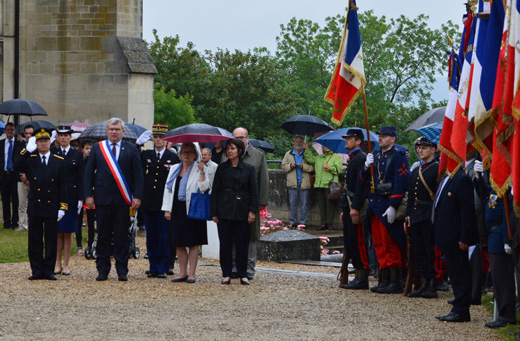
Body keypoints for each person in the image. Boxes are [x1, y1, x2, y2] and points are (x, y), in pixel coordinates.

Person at [84, 118, 143, 282]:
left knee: (122, 236)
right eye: (111, 129)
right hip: (102, 199)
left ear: (123, 131)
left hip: (123, 200)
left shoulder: (131, 149)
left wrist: (137, 196)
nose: (114, 132)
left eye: (117, 129)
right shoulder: (98, 148)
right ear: (107, 131)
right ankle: (102, 269)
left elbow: (138, 175)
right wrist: (88, 195)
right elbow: (88, 173)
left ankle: (122, 270)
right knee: (102, 235)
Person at [14, 128, 67, 280]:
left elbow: (63, 185)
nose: (43, 144)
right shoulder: (30, 159)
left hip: (52, 204)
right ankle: (37, 270)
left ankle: (49, 270)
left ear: (50, 142)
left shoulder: (59, 161)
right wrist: (26, 150)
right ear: (36, 143)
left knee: (51, 239)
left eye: (45, 141)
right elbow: (16, 165)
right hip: (35, 203)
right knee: (35, 239)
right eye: (39, 141)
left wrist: (62, 207)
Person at [362, 126, 409, 294]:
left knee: (391, 244)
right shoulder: (375, 156)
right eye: (380, 135)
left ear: (393, 139)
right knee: (379, 244)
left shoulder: (399, 156)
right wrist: (366, 167)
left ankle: (396, 281)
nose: (380, 138)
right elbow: (363, 179)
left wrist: (393, 206)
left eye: (385, 136)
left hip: (388, 203)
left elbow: (401, 181)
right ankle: (384, 279)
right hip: (375, 205)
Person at [221, 127, 268, 280]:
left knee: (251, 236)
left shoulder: (258, 155)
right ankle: (234, 267)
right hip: (230, 205)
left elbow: (263, 180)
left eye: (241, 137)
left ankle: (249, 268)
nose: (239, 140)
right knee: (232, 236)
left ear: (247, 138)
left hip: (249, 203)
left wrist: (261, 202)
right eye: (236, 137)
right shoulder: (226, 155)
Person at [162, 142, 211, 283]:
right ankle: (182, 272)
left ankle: (192, 274)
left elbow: (204, 188)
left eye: (189, 152)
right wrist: (167, 209)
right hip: (177, 208)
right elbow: (168, 189)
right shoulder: (174, 169)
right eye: (184, 152)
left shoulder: (199, 168)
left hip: (192, 208)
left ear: (195, 154)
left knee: (193, 242)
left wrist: (202, 172)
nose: (186, 155)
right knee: (178, 242)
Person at [433, 167, 478, 322]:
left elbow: (467, 211)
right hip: (447, 236)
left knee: (460, 272)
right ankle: (458, 302)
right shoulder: (448, 178)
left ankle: (461, 310)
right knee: (454, 273)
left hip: (456, 237)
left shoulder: (462, 179)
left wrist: (465, 237)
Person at [211, 139, 258, 285]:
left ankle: (243, 273)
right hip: (225, 208)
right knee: (225, 243)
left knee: (242, 243)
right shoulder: (222, 168)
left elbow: (253, 192)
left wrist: (252, 211)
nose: (229, 151)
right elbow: (215, 191)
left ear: (239, 150)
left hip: (242, 209)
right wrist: (214, 212)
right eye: (228, 149)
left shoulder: (249, 169)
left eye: (232, 148)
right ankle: (226, 273)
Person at [141, 124, 180, 278]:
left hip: (164, 202)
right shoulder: (146, 155)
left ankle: (163, 266)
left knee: (164, 235)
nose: (158, 140)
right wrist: (138, 144)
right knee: (151, 236)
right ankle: (153, 265)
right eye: (155, 137)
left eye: (161, 138)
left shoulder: (172, 157)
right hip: (149, 201)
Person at [404, 137, 439, 298]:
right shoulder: (416, 170)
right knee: (419, 251)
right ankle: (424, 283)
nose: (420, 150)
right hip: (417, 215)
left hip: (429, 214)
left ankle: (432, 284)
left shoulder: (437, 169)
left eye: (424, 147)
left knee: (430, 250)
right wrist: (408, 215)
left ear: (433, 150)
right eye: (418, 147)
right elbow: (411, 195)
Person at [339, 129, 369, 290]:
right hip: (349, 204)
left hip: (355, 204)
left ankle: (362, 275)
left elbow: (360, 186)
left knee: (359, 241)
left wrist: (355, 207)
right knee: (351, 241)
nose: (346, 141)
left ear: (358, 141)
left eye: (350, 139)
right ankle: (358, 273)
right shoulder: (353, 158)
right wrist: (344, 208)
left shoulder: (360, 158)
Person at [52, 125, 84, 276]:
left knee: (68, 231)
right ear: (57, 137)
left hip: (71, 197)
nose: (64, 138)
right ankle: (57, 262)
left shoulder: (77, 154)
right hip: (56, 197)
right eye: (61, 135)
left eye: (66, 135)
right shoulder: (53, 152)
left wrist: (80, 198)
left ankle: (66, 264)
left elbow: (81, 176)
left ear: (70, 137)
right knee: (58, 232)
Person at [303, 143, 343, 231]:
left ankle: (330, 224)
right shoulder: (319, 158)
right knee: (322, 205)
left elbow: (339, 170)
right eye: (324, 145)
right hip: (319, 184)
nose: (326, 147)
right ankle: (323, 223)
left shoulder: (336, 157)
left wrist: (329, 168)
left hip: (330, 185)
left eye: (328, 145)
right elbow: (310, 159)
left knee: (330, 205)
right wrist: (306, 150)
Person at [281, 136, 314, 228]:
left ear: (303, 143)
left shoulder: (307, 154)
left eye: (300, 142)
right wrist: (291, 166)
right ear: (294, 143)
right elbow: (283, 166)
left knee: (304, 204)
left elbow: (313, 167)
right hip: (292, 183)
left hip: (304, 183)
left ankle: (303, 223)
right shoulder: (288, 154)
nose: (298, 143)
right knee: (292, 204)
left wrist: (303, 167)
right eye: (297, 142)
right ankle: (293, 222)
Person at [1, 122, 21, 230]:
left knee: (15, 199)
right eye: (8, 129)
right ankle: (6, 222)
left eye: (12, 129)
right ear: (5, 131)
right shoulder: (1, 143)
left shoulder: (19, 144)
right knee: (5, 199)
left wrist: (21, 141)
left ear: (14, 131)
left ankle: (15, 222)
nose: (10, 132)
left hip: (15, 175)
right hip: (4, 175)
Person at [77, 140, 95, 257]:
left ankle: (91, 243)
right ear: (82, 149)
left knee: (91, 219)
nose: (89, 151)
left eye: (91, 149)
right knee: (78, 221)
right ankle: (79, 245)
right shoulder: (80, 161)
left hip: (92, 193)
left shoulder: (95, 162)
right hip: (80, 193)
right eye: (87, 148)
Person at [14, 124, 34, 231]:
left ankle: (33, 225)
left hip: (34, 180)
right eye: (26, 133)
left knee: (34, 203)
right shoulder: (20, 146)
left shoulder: (37, 147)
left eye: (30, 133)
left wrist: (30, 177)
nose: (28, 135)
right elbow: (16, 162)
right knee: (22, 204)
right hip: (21, 179)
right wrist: (22, 175)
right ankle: (22, 225)